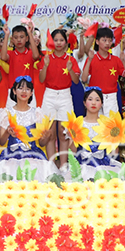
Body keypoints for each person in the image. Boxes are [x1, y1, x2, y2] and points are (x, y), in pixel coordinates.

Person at [0, 75, 54, 181]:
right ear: (14, 91)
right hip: (11, 156)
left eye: (27, 89)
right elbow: (1, 142)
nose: (24, 91)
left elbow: (41, 143)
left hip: (33, 156)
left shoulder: (37, 113)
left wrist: (46, 136)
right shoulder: (6, 113)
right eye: (20, 88)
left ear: (31, 93)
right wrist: (7, 132)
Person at [39, 28, 81, 165]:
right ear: (51, 42)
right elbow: (41, 79)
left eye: (61, 40)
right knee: (50, 133)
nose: (58, 43)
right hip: (49, 95)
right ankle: (51, 165)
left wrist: (70, 69)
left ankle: (63, 165)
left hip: (65, 96)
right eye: (55, 40)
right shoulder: (46, 58)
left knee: (64, 134)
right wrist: (45, 66)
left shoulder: (71, 59)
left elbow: (76, 81)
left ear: (66, 42)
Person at [67, 87, 122, 179]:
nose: (93, 103)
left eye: (97, 100)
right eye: (90, 99)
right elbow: (72, 152)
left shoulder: (107, 124)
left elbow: (114, 153)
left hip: (103, 166)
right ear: (84, 103)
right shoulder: (78, 123)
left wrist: (114, 139)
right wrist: (73, 138)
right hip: (82, 166)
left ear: (101, 104)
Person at [81, 27, 125, 115]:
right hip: (95, 96)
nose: (107, 43)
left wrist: (123, 61)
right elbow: (84, 78)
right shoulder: (92, 59)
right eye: (104, 40)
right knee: (96, 122)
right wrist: (89, 60)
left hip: (111, 97)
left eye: (110, 40)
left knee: (111, 122)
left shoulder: (116, 59)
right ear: (97, 41)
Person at [0, 24, 41, 105]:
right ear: (12, 39)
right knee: (10, 113)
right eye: (15, 37)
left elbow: (36, 56)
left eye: (21, 37)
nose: (18, 40)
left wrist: (30, 33)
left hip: (28, 90)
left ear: (27, 38)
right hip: (13, 90)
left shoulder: (30, 53)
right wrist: (6, 35)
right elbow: (3, 57)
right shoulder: (11, 54)